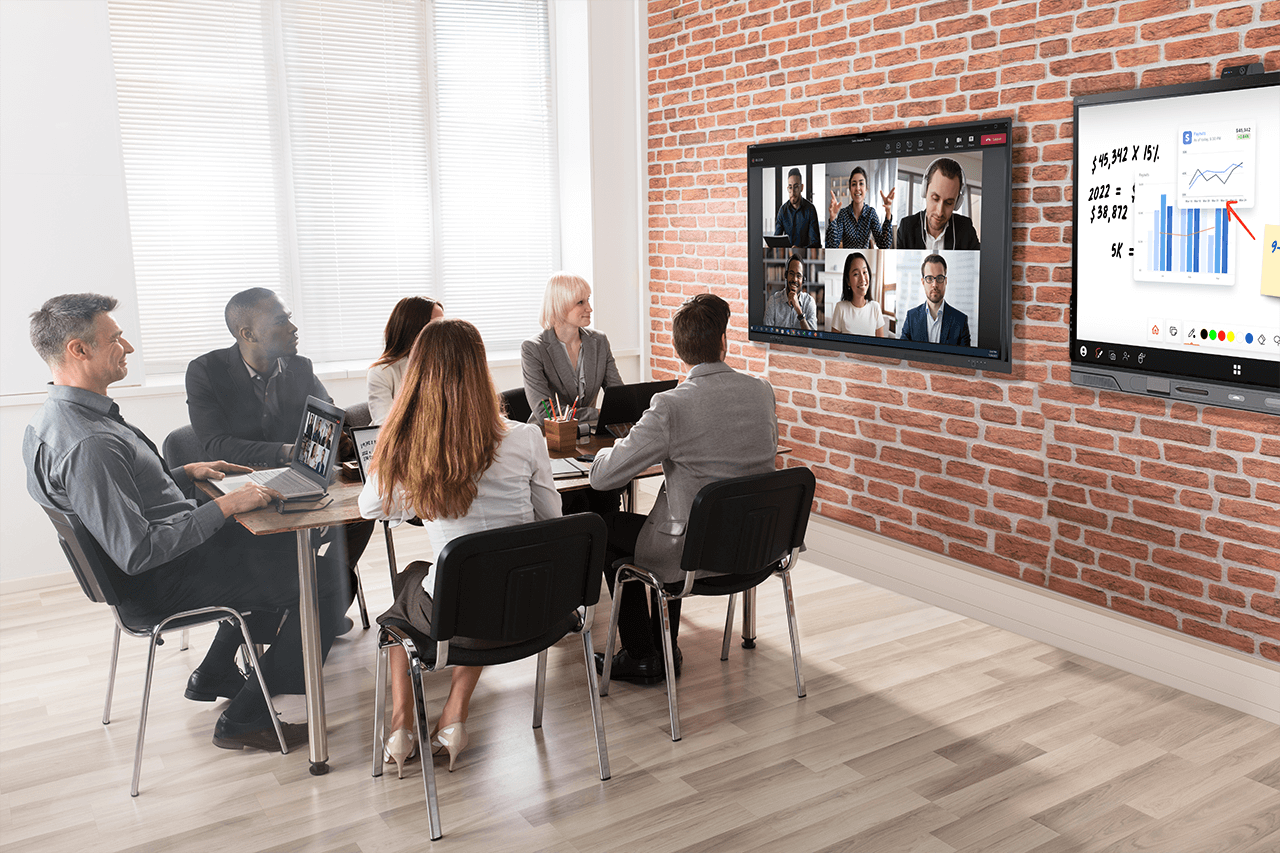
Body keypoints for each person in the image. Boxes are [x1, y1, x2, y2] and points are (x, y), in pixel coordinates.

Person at [23, 293, 348, 751]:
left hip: (163, 567)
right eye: (115, 339)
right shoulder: (90, 444)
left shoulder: (53, 420)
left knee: (283, 552)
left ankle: (215, 671)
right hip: (159, 581)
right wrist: (226, 506)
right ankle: (247, 719)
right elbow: (137, 551)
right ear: (79, 350)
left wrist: (182, 474)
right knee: (328, 582)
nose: (127, 347)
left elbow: (114, 501)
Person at [359, 319, 560, 776]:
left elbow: (370, 507)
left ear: (418, 377)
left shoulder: (411, 448)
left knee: (407, 591)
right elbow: (552, 518)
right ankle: (454, 713)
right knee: (480, 580)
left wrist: (398, 457)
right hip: (531, 605)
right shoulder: (526, 437)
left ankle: (401, 723)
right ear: (481, 369)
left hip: (457, 616)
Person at [589, 294, 778, 683]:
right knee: (676, 518)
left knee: (605, 528)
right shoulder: (762, 391)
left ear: (678, 349)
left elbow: (602, 478)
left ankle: (643, 656)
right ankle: (662, 647)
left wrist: (610, 448)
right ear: (723, 341)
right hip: (758, 545)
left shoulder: (670, 407)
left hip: (695, 554)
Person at [185, 287, 374, 625]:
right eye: (280, 321)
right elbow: (217, 444)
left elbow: (329, 413)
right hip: (238, 490)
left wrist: (338, 439)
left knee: (365, 510)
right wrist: (288, 451)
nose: (293, 327)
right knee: (280, 536)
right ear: (248, 334)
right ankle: (298, 608)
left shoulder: (300, 367)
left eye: (290, 318)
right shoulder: (206, 371)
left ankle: (318, 606)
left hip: (295, 481)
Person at [521, 272, 622, 424]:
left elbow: (618, 396)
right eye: (580, 302)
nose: (589, 308)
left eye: (588, 300)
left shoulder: (599, 341)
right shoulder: (533, 348)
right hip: (549, 433)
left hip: (589, 430)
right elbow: (545, 412)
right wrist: (598, 414)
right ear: (560, 305)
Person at [367, 296, 444, 425]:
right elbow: (385, 426)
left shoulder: (444, 365)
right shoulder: (381, 372)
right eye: (435, 325)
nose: (443, 331)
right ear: (413, 329)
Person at [895, 157, 980, 251]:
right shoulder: (906, 227)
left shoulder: (966, 229)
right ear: (925, 191)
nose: (940, 212)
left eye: (949, 203)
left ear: (957, 203)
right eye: (935, 198)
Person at [899, 254, 972, 346]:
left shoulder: (960, 320)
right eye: (929, 278)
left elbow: (964, 355)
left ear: (945, 281)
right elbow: (903, 352)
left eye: (939, 278)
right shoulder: (911, 317)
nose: (935, 284)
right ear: (923, 282)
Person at [826, 166, 895, 249]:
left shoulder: (871, 213)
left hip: (864, 256)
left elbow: (884, 245)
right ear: (850, 189)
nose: (857, 188)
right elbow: (832, 246)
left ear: (866, 189)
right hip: (848, 256)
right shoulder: (843, 214)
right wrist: (832, 218)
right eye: (854, 184)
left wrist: (888, 213)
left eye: (861, 184)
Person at [830, 252, 886, 337]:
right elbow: (834, 343)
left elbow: (881, 343)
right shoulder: (840, 308)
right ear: (848, 281)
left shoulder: (875, 307)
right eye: (856, 274)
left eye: (864, 272)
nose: (862, 279)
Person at [762, 254, 817, 330]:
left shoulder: (809, 302)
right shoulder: (773, 301)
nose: (794, 279)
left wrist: (799, 310)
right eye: (791, 274)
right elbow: (766, 334)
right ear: (786, 275)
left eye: (798, 276)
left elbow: (812, 335)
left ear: (803, 280)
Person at [773, 168, 820, 248]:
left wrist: (800, 250)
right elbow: (777, 238)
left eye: (796, 187)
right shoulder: (783, 210)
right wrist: (771, 246)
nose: (792, 192)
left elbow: (816, 244)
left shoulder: (810, 209)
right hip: (787, 254)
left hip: (805, 254)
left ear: (801, 188)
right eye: (790, 187)